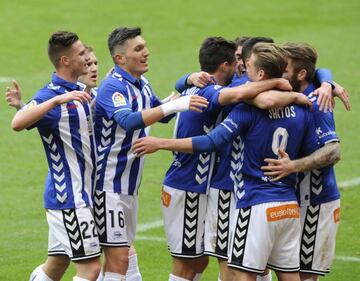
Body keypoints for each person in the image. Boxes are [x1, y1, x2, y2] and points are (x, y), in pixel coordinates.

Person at [132, 42, 321, 281]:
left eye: (247, 63)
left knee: (237, 269)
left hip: (246, 197)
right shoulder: (301, 107)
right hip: (284, 201)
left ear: (259, 72)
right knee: (250, 267)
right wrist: (303, 91)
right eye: (239, 60)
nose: (242, 66)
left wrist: (160, 143)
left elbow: (212, 141)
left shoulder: (243, 103)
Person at [92, 26, 208, 281]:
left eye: (145, 47)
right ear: (120, 58)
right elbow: (130, 120)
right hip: (107, 186)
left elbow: (160, 111)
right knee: (119, 259)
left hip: (128, 187)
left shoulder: (141, 84)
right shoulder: (113, 87)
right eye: (138, 49)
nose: (147, 52)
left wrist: (188, 83)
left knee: (115, 259)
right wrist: (178, 104)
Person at [11, 31, 101, 281]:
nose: (87, 57)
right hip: (69, 198)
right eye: (81, 53)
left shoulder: (80, 91)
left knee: (57, 263)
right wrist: (54, 101)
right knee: (91, 269)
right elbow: (17, 123)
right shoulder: (51, 96)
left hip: (82, 194)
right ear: (65, 61)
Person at [261, 43, 342, 281]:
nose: (278, 76)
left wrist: (292, 166)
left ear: (301, 74)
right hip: (290, 202)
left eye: (284, 70)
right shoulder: (293, 97)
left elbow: (333, 151)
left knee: (305, 277)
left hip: (315, 203)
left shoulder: (316, 102)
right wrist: (329, 81)